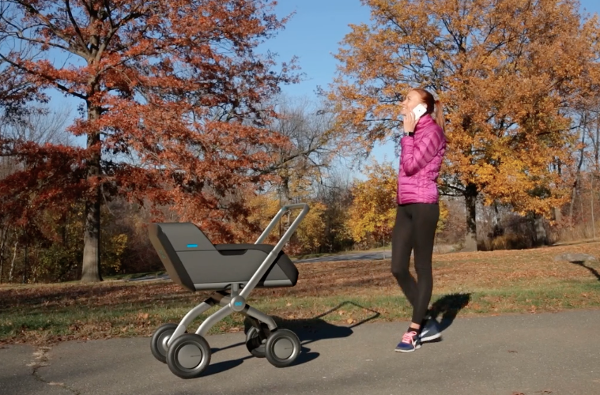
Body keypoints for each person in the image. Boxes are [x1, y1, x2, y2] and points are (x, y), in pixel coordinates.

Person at [392, 88, 446, 353]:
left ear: (423, 107)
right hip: (405, 204)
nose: (403, 102)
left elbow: (412, 166)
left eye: (408, 99)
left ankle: (415, 330)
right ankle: (426, 322)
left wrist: (408, 134)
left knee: (422, 267)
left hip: (424, 204)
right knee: (398, 267)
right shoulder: (413, 133)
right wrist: (408, 135)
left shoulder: (433, 132)